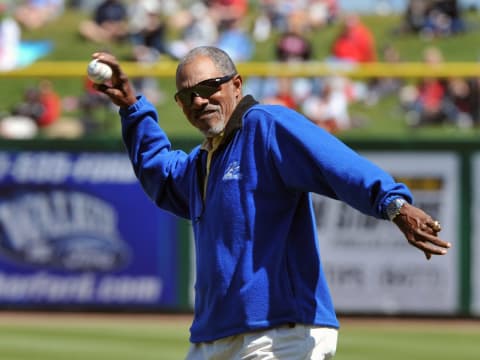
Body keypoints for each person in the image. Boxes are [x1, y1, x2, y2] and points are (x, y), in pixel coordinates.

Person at [92, 46, 451, 359]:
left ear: (236, 84)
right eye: (186, 96)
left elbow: (336, 164)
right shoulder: (204, 162)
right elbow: (162, 175)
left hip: (277, 335)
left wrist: (393, 204)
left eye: (206, 87)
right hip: (213, 337)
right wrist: (131, 107)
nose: (198, 100)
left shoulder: (266, 127)